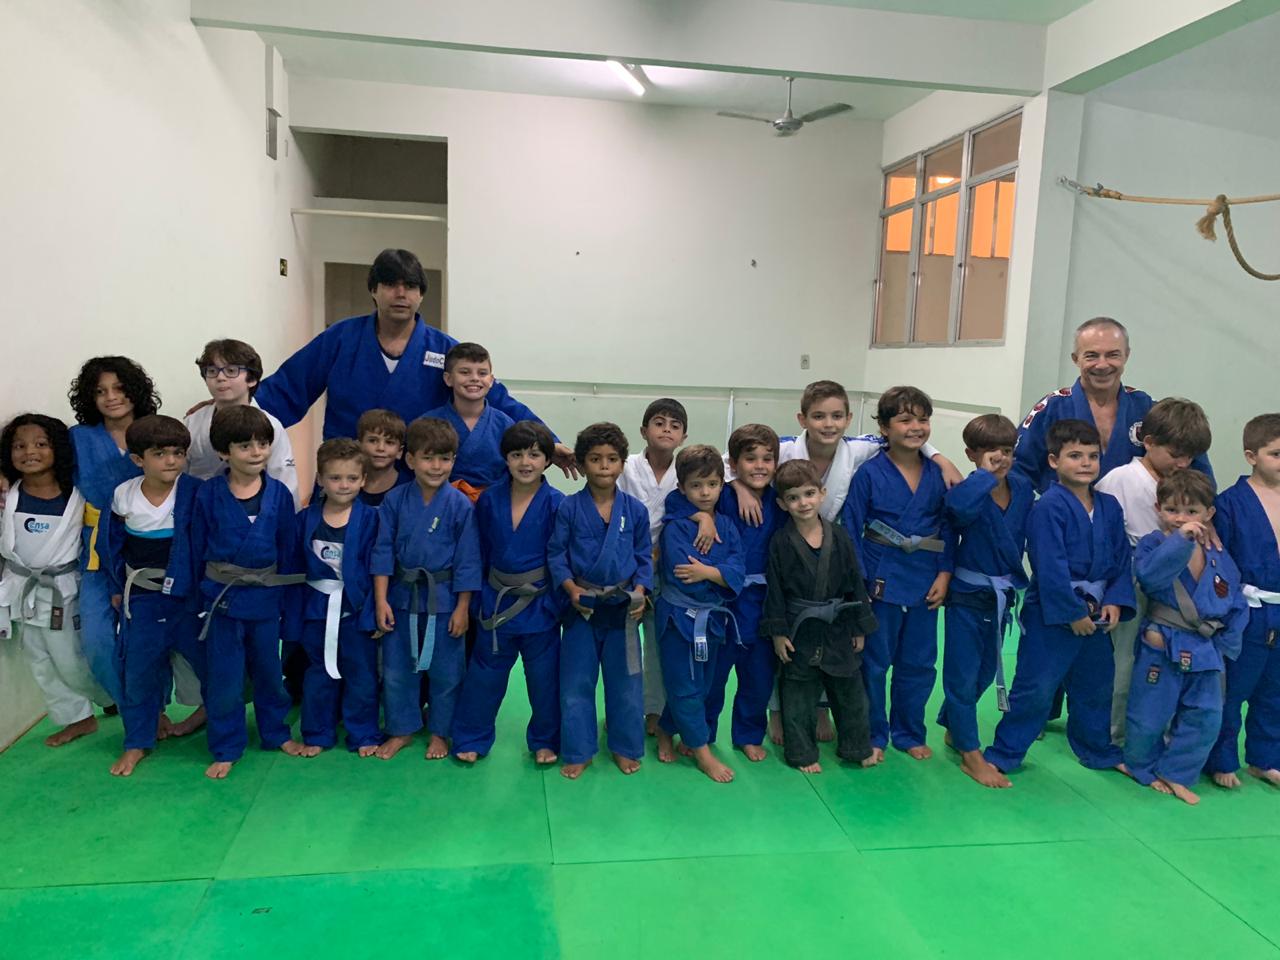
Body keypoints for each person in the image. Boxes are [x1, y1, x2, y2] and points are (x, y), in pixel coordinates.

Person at [730, 379, 958, 745]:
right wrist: (740, 487)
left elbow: (900, 436)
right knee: (784, 633)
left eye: (837, 416)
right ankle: (779, 710)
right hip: (787, 546)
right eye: (819, 416)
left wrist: (939, 457)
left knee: (829, 632)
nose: (828, 424)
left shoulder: (858, 449)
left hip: (832, 547)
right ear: (802, 419)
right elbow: (735, 463)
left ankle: (822, 707)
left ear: (849, 419)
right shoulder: (784, 448)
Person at [252, 248, 574, 472]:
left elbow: (497, 398)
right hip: (347, 472)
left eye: (410, 286)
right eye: (391, 285)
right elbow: (286, 389)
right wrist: (235, 421)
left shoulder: (443, 349)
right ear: (374, 290)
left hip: (416, 477)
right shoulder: (340, 339)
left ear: (421, 294)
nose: (401, 294)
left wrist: (548, 441)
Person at [984, 420, 1135, 778]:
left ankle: (1098, 750)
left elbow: (1121, 559)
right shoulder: (1048, 507)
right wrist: (1071, 612)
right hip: (1052, 616)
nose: (1085, 463)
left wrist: (1115, 600)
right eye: (1075, 456)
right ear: (1053, 461)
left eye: (1092, 456)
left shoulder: (1110, 506)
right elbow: (1049, 565)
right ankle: (1005, 753)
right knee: (1035, 688)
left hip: (1098, 614)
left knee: (1097, 687)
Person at [189, 406, 305, 779]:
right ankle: (226, 746)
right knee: (225, 679)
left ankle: (276, 733)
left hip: (266, 600)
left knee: (270, 672)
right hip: (221, 599)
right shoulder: (208, 495)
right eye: (244, 446)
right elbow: (195, 547)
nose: (256, 452)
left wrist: (288, 604)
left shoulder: (279, 496)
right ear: (223, 452)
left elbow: (288, 552)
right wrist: (197, 597)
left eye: (262, 444)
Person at [844, 386, 955, 763]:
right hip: (881, 576)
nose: (915, 427)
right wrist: (860, 584)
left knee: (919, 663)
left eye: (923, 420)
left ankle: (909, 732)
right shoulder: (869, 473)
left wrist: (945, 573)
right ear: (884, 427)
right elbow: (851, 529)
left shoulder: (938, 474)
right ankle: (873, 733)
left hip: (926, 577)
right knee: (874, 663)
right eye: (905, 420)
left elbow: (949, 527)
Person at [1124, 470, 1246, 805]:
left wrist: (1226, 643)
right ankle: (1141, 766)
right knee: (1150, 713)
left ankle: (1176, 772)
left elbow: (1234, 597)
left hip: (1206, 646)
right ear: (1158, 509)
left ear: (1209, 513)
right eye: (1172, 510)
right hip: (1162, 641)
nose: (1181, 518)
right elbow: (1150, 577)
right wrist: (1181, 541)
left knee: (1206, 715)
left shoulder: (1217, 552)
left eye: (1192, 511)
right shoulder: (1153, 544)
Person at [1095, 398, 1211, 744]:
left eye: (1190, 457)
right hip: (1132, 580)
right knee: (1125, 660)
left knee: (1165, 662)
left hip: (1176, 586)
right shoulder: (1121, 479)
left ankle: (1158, 733)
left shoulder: (1187, 483)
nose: (1182, 463)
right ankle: (1115, 735)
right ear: (1148, 442)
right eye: (1175, 454)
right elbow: (1104, 538)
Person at [97, 415, 204, 776]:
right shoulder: (123, 495)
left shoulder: (196, 492)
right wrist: (116, 588)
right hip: (142, 598)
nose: (171, 460)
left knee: (212, 666)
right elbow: (111, 545)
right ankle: (137, 742)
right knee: (138, 672)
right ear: (138, 459)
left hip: (189, 599)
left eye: (178, 453)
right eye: (159, 454)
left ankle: (221, 733)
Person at [452, 421, 565, 764]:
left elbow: (561, 558)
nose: (525, 462)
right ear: (505, 458)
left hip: (540, 604)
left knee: (544, 679)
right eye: (516, 455)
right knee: (484, 675)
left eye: (534, 455)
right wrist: (476, 598)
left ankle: (545, 739)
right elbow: (478, 552)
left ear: (547, 460)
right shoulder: (489, 499)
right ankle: (472, 737)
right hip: (496, 601)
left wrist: (556, 604)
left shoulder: (557, 504)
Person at [371, 417, 481, 761]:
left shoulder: (460, 504)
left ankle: (440, 731)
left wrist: (463, 608)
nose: (436, 466)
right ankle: (401, 729)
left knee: (447, 671)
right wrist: (381, 600)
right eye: (428, 458)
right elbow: (382, 551)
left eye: (444, 459)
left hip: (444, 599)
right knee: (396, 668)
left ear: (453, 461)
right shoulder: (395, 500)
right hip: (401, 596)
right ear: (410, 459)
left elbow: (468, 560)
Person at [549, 422, 652, 780]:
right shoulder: (568, 508)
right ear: (581, 463)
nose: (604, 466)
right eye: (595, 459)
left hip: (623, 608)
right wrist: (570, 589)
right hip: (583, 606)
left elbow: (644, 556)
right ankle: (579, 750)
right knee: (576, 682)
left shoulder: (635, 510)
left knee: (627, 684)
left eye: (611, 458)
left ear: (623, 463)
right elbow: (556, 555)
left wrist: (641, 591)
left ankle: (625, 747)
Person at [762, 459, 879, 773]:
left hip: (839, 624)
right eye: (794, 497)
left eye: (809, 493)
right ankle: (802, 753)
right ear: (782, 504)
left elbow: (855, 582)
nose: (803, 502)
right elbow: (774, 591)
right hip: (799, 628)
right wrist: (778, 633)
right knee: (798, 695)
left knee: (851, 691)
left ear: (822, 494)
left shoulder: (839, 536)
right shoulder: (780, 542)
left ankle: (857, 747)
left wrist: (859, 626)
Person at [0, 414, 109, 746]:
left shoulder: (77, 496)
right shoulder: (8, 496)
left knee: (71, 659)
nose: (29, 452)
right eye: (19, 446)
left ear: (57, 449)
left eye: (40, 444)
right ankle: (78, 718)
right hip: (23, 590)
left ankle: (111, 696)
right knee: (40, 660)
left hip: (63, 590)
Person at [937, 414, 1033, 789]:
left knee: (985, 673)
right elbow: (956, 510)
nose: (1001, 458)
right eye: (991, 451)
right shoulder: (967, 490)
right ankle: (970, 753)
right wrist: (983, 477)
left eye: (1007, 450)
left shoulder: (1022, 488)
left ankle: (952, 723)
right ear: (971, 454)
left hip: (1001, 597)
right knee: (961, 675)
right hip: (967, 594)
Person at [1013, 317, 1213, 493]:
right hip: (1064, 519)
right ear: (1076, 359)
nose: (1102, 365)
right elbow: (1017, 472)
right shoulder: (1052, 408)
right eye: (1091, 355)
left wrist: (1194, 512)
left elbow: (1198, 474)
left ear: (1126, 355)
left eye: (1112, 355)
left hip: (1136, 520)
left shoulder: (1147, 408)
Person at [616, 398, 713, 736]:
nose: (667, 429)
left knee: (659, 648)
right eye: (659, 423)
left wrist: (703, 516)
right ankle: (624, 711)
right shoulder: (625, 466)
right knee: (623, 647)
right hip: (626, 567)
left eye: (675, 425)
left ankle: (654, 712)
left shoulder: (686, 471)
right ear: (644, 430)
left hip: (670, 569)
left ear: (684, 436)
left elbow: (710, 489)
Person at [67, 356, 160, 706]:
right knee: (96, 639)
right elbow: (38, 464)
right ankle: (129, 706)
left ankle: (154, 710)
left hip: (149, 547)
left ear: (135, 390)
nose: (111, 397)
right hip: (96, 550)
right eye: (100, 391)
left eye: (119, 388)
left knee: (149, 638)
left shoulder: (155, 433)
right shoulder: (78, 438)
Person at [653, 444, 745, 783]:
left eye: (712, 484)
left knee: (702, 686)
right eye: (696, 485)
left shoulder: (728, 525)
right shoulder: (675, 527)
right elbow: (682, 572)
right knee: (685, 685)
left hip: (714, 618)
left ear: (722, 484)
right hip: (679, 617)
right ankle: (702, 751)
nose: (705, 492)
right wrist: (718, 573)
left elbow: (738, 567)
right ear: (682, 488)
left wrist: (709, 571)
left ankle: (666, 729)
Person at [288, 438, 382, 757]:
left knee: (361, 673)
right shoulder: (305, 520)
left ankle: (363, 733)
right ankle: (317, 732)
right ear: (320, 479)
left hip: (356, 609)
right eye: (335, 477)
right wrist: (293, 615)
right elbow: (294, 570)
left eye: (352, 478)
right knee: (318, 671)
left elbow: (379, 569)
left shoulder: (371, 520)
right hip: (315, 609)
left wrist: (374, 612)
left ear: (363, 479)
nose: (344, 485)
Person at [1205, 414, 1280, 789]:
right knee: (1233, 687)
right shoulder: (1230, 504)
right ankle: (1221, 758)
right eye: (1276, 454)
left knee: (1275, 689)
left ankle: (1266, 758)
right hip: (1247, 609)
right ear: (1251, 456)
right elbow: (1220, 563)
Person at [706, 424, 785, 761]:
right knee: (713, 676)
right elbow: (680, 500)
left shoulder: (780, 500)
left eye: (768, 459)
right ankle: (702, 734)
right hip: (723, 601)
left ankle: (749, 735)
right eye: (751, 459)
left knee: (758, 678)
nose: (760, 466)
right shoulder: (721, 495)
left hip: (764, 603)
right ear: (734, 464)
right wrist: (732, 488)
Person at [185, 339, 299, 505]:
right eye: (212, 371)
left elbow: (285, 480)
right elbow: (179, 475)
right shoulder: (193, 422)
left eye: (231, 371)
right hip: (199, 508)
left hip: (254, 509)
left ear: (251, 379)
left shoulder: (271, 425)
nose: (220, 377)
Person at [422, 342, 512, 502]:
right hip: (440, 504)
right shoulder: (427, 423)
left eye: (482, 373)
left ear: (491, 380)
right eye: (465, 372)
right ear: (448, 379)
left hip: (494, 506)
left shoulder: (505, 425)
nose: (475, 378)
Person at [356, 409, 407, 507]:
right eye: (373, 440)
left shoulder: (409, 489)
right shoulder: (346, 484)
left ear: (399, 451)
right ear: (359, 446)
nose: (380, 448)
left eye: (389, 442)